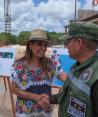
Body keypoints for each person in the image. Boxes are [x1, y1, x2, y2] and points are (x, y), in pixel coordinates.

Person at [40, 22, 98, 117]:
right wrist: (50, 98)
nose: (66, 46)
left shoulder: (96, 77)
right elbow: (68, 95)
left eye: (67, 42)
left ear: (79, 43)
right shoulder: (75, 67)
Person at [10, 29, 67, 117]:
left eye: (45, 45)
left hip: (44, 111)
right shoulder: (19, 66)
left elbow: (65, 78)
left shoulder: (51, 64)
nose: (43, 48)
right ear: (30, 45)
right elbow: (14, 89)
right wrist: (36, 97)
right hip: (25, 112)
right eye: (39, 44)